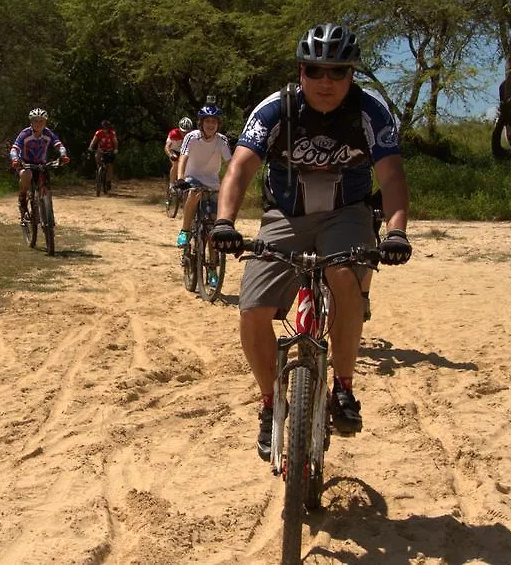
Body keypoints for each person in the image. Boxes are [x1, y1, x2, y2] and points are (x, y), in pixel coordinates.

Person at [209, 23, 412, 462]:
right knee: (252, 308)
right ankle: (269, 403)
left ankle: (343, 387)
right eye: (316, 70)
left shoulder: (370, 113)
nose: (326, 81)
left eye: (338, 72)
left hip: (347, 214)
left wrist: (396, 231)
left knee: (343, 274)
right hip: (286, 215)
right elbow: (240, 169)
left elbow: (392, 177)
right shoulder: (275, 110)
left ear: (351, 76)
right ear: (301, 72)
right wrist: (224, 222)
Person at [175, 98, 232, 250]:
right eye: (207, 121)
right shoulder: (191, 137)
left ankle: (212, 266)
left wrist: (234, 182)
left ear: (218, 124)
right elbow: (183, 158)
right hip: (193, 178)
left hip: (212, 182)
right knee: (194, 194)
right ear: (201, 123)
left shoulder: (222, 141)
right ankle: (185, 231)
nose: (210, 125)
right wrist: (180, 178)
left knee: (213, 224)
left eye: (214, 122)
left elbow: (231, 164)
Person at [9, 108, 70, 215]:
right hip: (25, 162)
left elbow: (60, 146)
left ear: (45, 122)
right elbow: (14, 148)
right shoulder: (25, 133)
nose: (38, 123)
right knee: (26, 175)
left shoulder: (48, 133)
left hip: (41, 163)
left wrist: (63, 155)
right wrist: (15, 159)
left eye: (41, 121)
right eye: (35, 121)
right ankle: (22, 197)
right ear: (31, 122)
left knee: (45, 179)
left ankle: (45, 209)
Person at [88, 120, 119, 191]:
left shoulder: (112, 133)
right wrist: (90, 147)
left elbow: (115, 141)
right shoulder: (98, 133)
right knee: (97, 156)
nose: (106, 129)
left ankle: (108, 181)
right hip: (101, 149)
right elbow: (94, 141)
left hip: (110, 150)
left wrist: (116, 149)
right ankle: (99, 171)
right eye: (104, 128)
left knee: (110, 165)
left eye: (107, 128)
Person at [165, 117, 194, 186]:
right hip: (173, 151)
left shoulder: (193, 135)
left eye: (187, 132)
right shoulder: (174, 134)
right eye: (183, 132)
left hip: (183, 152)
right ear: (179, 129)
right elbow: (167, 147)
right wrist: (170, 155)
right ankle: (171, 185)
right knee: (176, 164)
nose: (184, 134)